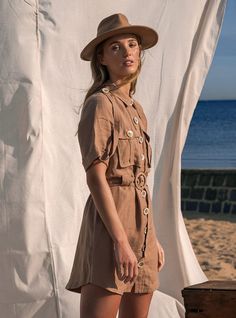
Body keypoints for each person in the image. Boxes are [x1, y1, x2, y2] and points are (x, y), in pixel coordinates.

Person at [66, 13, 165, 318]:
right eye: (116, 48)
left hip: (143, 228)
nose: (127, 52)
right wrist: (120, 241)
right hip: (111, 229)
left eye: (132, 45)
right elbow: (96, 177)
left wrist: (153, 238)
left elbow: (139, 181)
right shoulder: (100, 104)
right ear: (102, 58)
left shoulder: (137, 108)